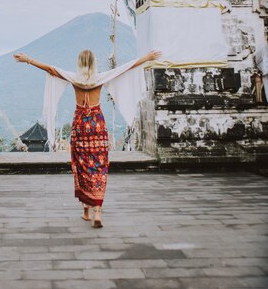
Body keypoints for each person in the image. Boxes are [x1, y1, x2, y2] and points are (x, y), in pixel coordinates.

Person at [14, 48, 161, 228]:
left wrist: (29, 59)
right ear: (94, 64)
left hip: (80, 125)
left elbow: (51, 69)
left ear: (79, 63)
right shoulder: (100, 78)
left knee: (82, 164)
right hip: (97, 125)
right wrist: (147, 58)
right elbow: (125, 68)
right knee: (98, 164)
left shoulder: (74, 78)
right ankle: (97, 211)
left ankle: (86, 211)